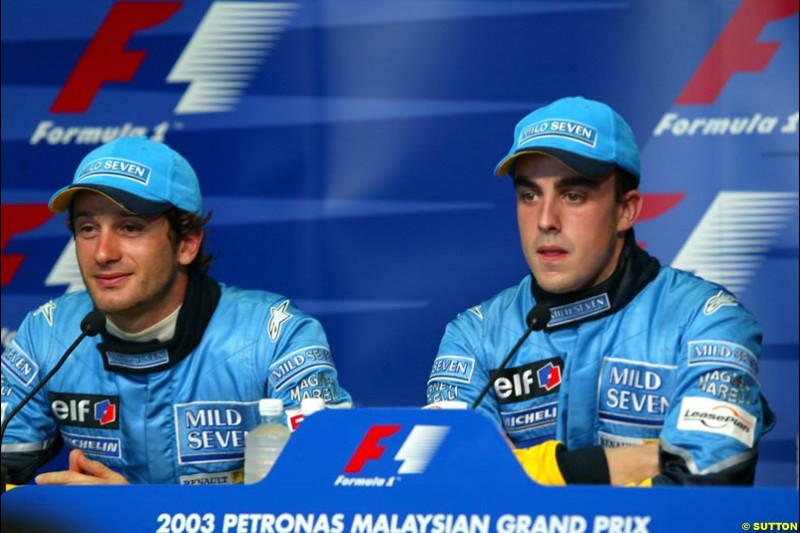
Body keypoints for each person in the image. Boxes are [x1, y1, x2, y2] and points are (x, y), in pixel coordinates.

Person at [426, 96, 774, 486]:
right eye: (529, 195)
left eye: (573, 196)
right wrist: (643, 461)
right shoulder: (474, 335)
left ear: (626, 210)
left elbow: (704, 485)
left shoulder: (708, 321)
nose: (545, 220)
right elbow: (452, 486)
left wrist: (530, 472)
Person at [1, 137, 352, 485]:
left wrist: (131, 515)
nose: (103, 253)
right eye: (88, 228)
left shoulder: (276, 336)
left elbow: (330, 492)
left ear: (186, 244)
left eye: (130, 227)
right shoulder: (47, 334)